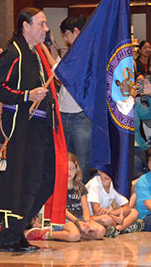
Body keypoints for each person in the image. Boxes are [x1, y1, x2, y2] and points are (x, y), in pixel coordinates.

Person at [0, 7, 67, 252]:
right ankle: (10, 236)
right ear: (26, 26)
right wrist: (27, 95)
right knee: (27, 181)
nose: (46, 29)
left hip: (43, 127)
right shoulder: (13, 53)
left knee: (46, 179)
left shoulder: (38, 53)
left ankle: (17, 229)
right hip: (24, 129)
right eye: (42, 24)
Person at [25, 153, 105, 242]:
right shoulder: (57, 187)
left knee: (101, 231)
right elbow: (62, 209)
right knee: (74, 236)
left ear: (76, 169)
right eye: (66, 168)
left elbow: (85, 209)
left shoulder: (81, 187)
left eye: (72, 168)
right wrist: (77, 222)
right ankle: (47, 234)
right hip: (63, 219)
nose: (69, 172)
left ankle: (74, 233)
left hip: (79, 218)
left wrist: (87, 222)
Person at [57, 15, 93, 183]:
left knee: (82, 161)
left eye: (66, 35)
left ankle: (82, 197)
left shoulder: (88, 52)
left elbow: (62, 74)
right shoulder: (72, 52)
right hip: (63, 112)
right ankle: (68, 196)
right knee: (66, 159)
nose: (65, 39)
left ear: (76, 31)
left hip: (81, 115)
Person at [86, 169, 144, 236]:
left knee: (134, 212)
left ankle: (116, 230)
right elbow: (96, 211)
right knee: (107, 219)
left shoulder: (114, 184)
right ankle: (122, 227)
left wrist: (112, 213)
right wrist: (115, 217)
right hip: (90, 217)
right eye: (105, 171)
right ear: (99, 171)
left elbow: (127, 208)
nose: (107, 174)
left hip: (107, 214)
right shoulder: (94, 183)